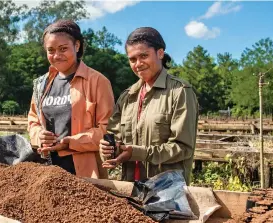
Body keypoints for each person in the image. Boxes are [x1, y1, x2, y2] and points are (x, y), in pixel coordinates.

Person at [99, 27, 198, 184]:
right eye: (132, 59)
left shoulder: (179, 91)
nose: (138, 64)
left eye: (143, 56)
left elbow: (183, 148)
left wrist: (138, 153)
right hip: (130, 187)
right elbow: (114, 137)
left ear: (160, 53)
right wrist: (109, 149)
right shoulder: (127, 97)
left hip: (166, 190)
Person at [28, 19, 115, 178]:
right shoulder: (41, 84)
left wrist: (70, 142)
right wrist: (39, 135)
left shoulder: (97, 81)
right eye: (51, 50)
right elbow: (33, 121)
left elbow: (107, 131)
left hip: (85, 172)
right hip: (47, 171)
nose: (56, 55)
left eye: (63, 49)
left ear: (77, 46)